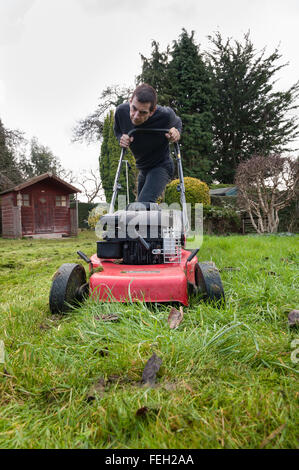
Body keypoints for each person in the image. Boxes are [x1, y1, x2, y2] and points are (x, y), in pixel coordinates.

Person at [114, 83, 182, 203]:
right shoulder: (121, 112)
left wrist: (176, 133)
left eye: (143, 112)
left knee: (143, 204)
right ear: (130, 101)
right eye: (134, 108)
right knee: (139, 210)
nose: (135, 116)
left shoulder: (165, 115)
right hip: (143, 169)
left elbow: (177, 123)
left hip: (161, 166)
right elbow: (118, 131)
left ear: (152, 111)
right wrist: (121, 138)